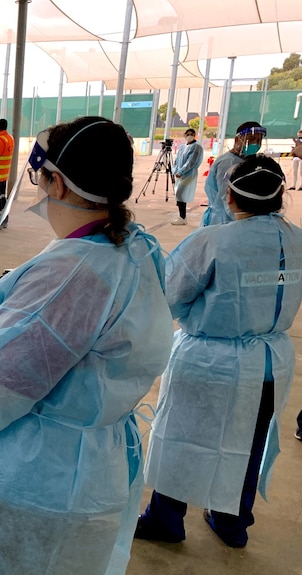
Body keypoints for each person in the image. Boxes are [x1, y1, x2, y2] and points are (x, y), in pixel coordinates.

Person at [0, 117, 174, 575]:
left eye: (40, 177)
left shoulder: (71, 276)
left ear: (59, 184)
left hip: (27, 480)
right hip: (90, 468)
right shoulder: (134, 249)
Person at [136, 156, 302, 549]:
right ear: (280, 196)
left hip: (212, 361)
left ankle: (167, 518)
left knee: (183, 439)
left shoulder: (213, 241)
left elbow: (171, 295)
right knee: (249, 443)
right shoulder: (298, 239)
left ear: (228, 195)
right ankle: (232, 521)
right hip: (270, 363)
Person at [201, 121, 265, 227]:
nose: (255, 144)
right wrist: (243, 220)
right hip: (225, 219)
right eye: (251, 139)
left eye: (259, 140)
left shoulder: (247, 160)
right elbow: (225, 197)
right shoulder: (228, 163)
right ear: (237, 140)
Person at [170, 128, 204, 225]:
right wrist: (175, 170)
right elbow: (177, 160)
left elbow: (191, 162)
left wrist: (181, 172)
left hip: (188, 174)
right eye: (187, 134)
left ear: (194, 135)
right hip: (179, 175)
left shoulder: (196, 147)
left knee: (181, 194)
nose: (189, 136)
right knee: (179, 194)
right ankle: (181, 216)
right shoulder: (182, 147)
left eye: (191, 134)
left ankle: (182, 217)